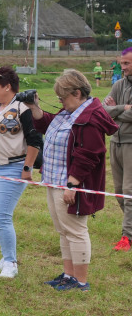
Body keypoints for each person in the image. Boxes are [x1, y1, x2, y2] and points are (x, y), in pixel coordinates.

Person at [29, 70, 117, 291]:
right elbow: (48, 124)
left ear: (77, 93)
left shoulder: (90, 117)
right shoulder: (73, 110)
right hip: (54, 179)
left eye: (63, 98)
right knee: (63, 230)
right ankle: (68, 276)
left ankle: (81, 281)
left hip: (71, 183)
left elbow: (89, 154)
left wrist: (73, 184)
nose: (60, 102)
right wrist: (34, 107)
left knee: (76, 231)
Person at [0, 66, 42, 278]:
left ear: (8, 86)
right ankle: (5, 257)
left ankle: (11, 263)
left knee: (2, 216)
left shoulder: (22, 108)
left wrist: (27, 168)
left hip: (12, 167)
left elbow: (35, 140)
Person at [103, 47, 132, 250]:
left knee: (130, 191)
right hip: (114, 142)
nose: (123, 68)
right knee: (119, 191)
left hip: (131, 144)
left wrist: (115, 110)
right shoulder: (119, 84)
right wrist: (122, 108)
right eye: (121, 63)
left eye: (127, 63)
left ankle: (127, 237)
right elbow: (103, 111)